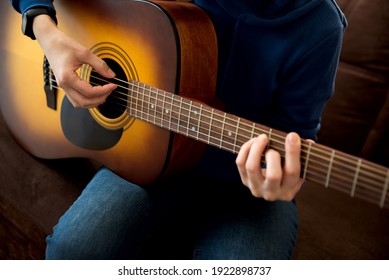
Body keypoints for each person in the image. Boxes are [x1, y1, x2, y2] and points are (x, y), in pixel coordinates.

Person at [10, 0, 347, 259]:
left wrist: (284, 179)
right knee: (74, 253)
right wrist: (46, 31)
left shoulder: (321, 26)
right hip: (153, 153)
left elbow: (295, 133)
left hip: (244, 189)